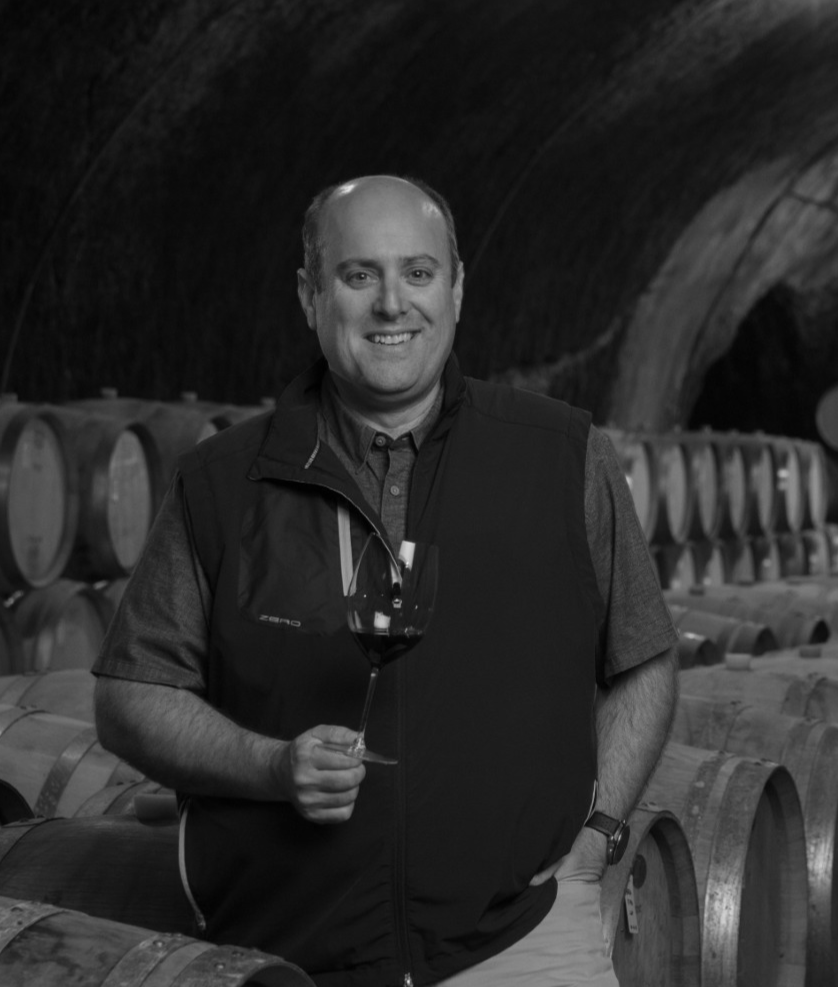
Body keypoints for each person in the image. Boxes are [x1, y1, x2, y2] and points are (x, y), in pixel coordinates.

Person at [94, 174, 679, 986]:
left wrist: (599, 834)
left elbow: (643, 658)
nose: (391, 303)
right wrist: (268, 764)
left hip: (518, 946)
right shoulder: (222, 482)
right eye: (358, 275)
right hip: (282, 956)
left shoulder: (560, 455)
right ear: (309, 294)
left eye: (418, 272)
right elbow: (130, 696)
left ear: (457, 287)